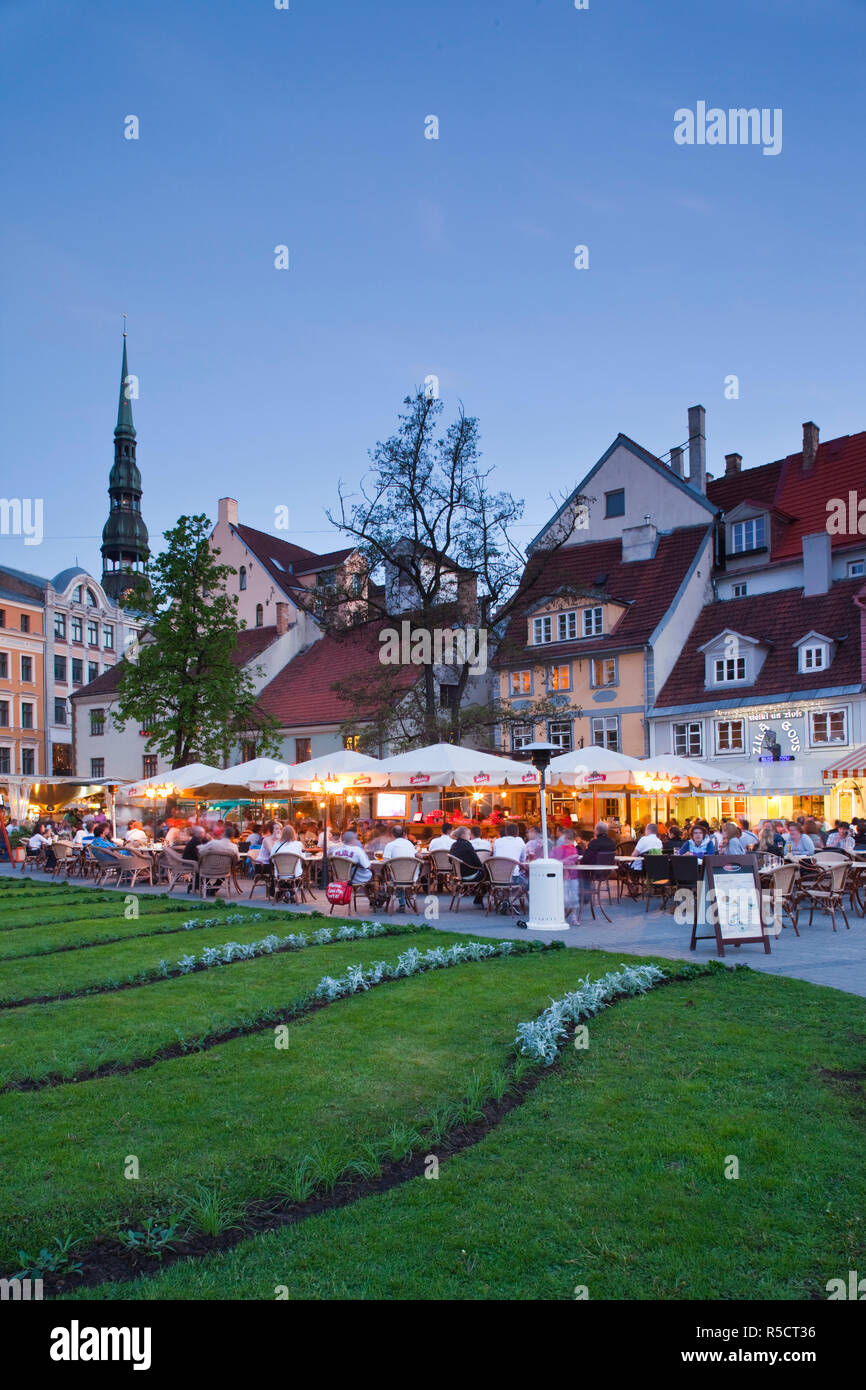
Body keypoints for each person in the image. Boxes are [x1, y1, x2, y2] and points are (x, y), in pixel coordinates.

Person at [449, 826, 486, 905]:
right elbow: (477, 862)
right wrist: (482, 868)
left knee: (484, 875)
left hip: (459, 876)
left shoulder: (453, 845)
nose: (470, 836)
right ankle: (478, 900)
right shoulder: (467, 845)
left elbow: (450, 861)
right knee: (488, 876)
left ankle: (477, 899)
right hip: (470, 875)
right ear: (463, 835)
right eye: (468, 834)